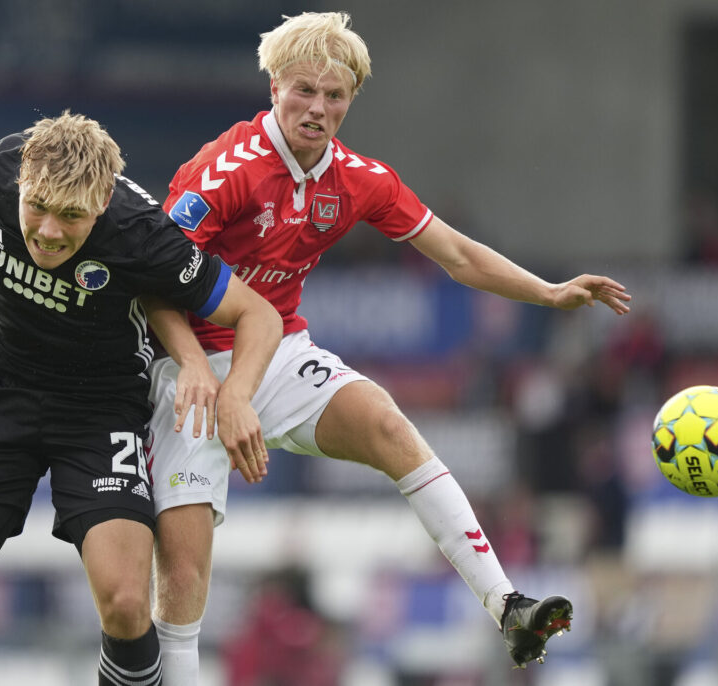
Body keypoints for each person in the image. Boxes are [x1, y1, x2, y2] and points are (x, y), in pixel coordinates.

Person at [148, 12, 632, 678]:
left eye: (334, 95)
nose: (318, 108)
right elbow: (149, 283)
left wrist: (548, 293)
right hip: (187, 368)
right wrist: (201, 370)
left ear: (350, 100)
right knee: (182, 573)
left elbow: (457, 255)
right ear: (274, 88)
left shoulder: (358, 180)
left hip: (279, 352)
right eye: (303, 90)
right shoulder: (222, 172)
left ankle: (507, 605)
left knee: (386, 423)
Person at [0, 111, 281, 686]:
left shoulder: (140, 231)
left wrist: (236, 394)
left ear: (101, 203)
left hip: (100, 409)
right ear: (22, 182)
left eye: (71, 216)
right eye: (37, 208)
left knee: (124, 603)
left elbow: (259, 315)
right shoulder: (3, 168)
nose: (48, 231)